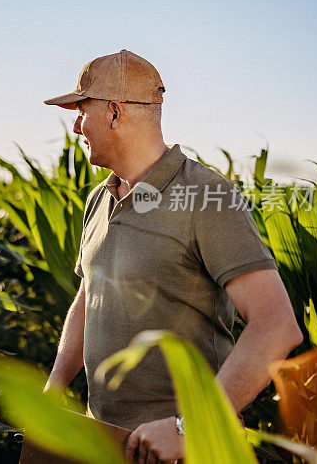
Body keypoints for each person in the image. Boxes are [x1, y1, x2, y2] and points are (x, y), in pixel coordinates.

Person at [41, 50, 303, 463]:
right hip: (103, 442)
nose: (75, 126)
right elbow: (89, 297)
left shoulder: (206, 197)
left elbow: (277, 325)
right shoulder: (99, 198)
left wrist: (191, 424)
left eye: (81, 110)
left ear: (112, 113)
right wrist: (53, 389)